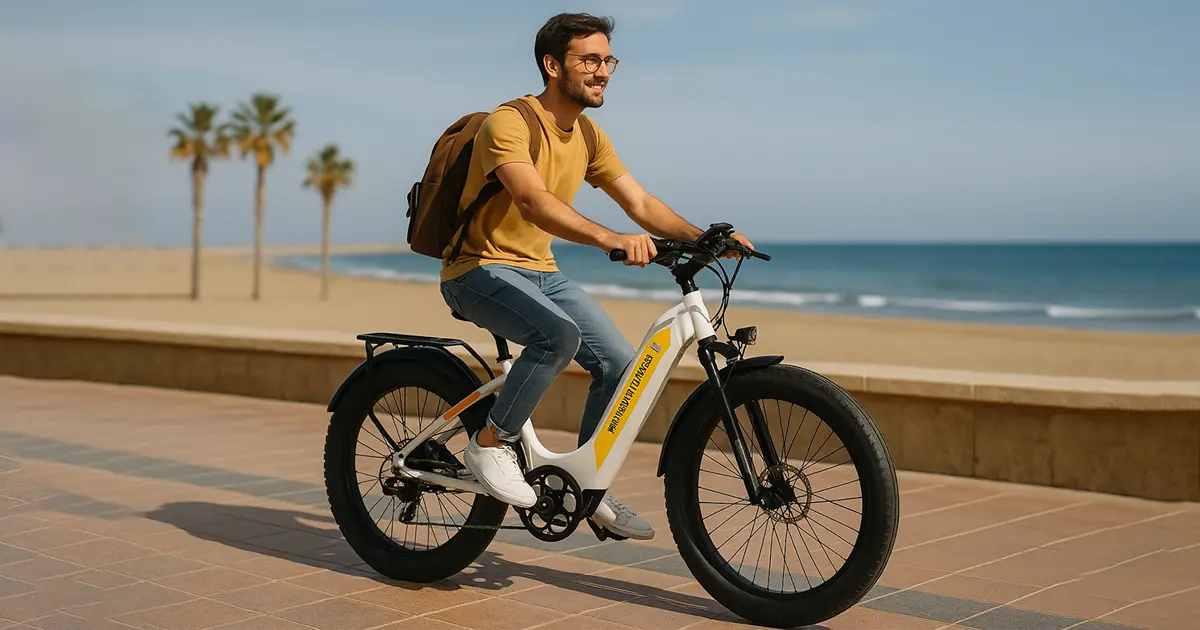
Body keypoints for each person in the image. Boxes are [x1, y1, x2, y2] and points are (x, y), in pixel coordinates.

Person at [438, 12, 754, 541]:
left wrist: (706, 238)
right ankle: (490, 443)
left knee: (619, 364)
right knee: (558, 336)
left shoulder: (587, 134)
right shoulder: (509, 123)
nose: (603, 70)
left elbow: (639, 202)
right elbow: (533, 201)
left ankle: (586, 486)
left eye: (608, 60)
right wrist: (609, 239)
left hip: (540, 273)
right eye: (589, 59)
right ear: (552, 64)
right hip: (478, 270)